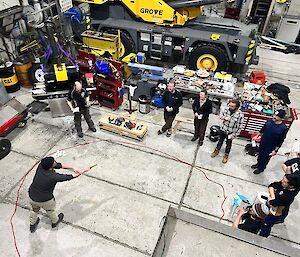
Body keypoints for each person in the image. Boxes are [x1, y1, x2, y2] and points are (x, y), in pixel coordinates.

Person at [28, 156, 88, 233]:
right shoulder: (53, 177)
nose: (56, 162)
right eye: (54, 162)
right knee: (50, 211)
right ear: (50, 167)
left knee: (34, 210)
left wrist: (73, 167)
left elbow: (60, 165)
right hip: (46, 200)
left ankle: (32, 224)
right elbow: (70, 177)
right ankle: (55, 222)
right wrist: (83, 170)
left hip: (32, 196)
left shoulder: (41, 166)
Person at [251, 109, 288, 174]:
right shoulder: (269, 121)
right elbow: (262, 129)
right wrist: (257, 136)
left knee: (265, 158)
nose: (274, 117)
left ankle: (261, 168)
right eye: (274, 115)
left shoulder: (283, 128)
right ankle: (258, 164)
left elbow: (281, 140)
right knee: (260, 155)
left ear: (281, 118)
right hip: (263, 142)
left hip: (271, 147)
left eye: (276, 116)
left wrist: (275, 150)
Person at [211, 99, 244, 163]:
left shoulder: (240, 115)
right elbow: (220, 115)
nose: (230, 107)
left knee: (228, 144)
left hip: (231, 132)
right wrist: (223, 118)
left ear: (236, 107)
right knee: (220, 141)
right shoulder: (226, 109)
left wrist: (235, 134)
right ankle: (216, 151)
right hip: (223, 129)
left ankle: (226, 155)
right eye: (230, 105)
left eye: (232, 106)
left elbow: (240, 126)